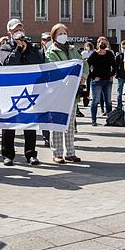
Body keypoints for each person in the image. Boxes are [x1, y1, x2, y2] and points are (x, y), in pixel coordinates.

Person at [0, 19, 42, 166]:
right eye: (15, 29)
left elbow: (37, 61)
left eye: (20, 28)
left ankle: (31, 154)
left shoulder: (32, 47)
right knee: (9, 122)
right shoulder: (5, 47)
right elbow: (8, 63)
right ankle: (8, 155)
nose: (18, 31)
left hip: (29, 88)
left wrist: (26, 49)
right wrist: (17, 49)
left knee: (29, 122)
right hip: (11, 89)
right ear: (9, 32)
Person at [45, 24, 89, 163]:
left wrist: (84, 75)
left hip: (73, 92)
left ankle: (70, 152)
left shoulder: (73, 49)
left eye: (65, 32)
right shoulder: (51, 51)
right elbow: (54, 68)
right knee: (57, 124)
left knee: (70, 125)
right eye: (60, 33)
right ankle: (57, 153)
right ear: (54, 36)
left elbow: (83, 63)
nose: (63, 35)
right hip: (58, 93)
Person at [86, 37, 115, 126]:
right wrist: (93, 77)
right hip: (97, 82)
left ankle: (109, 120)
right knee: (95, 101)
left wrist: (112, 75)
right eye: (101, 43)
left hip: (107, 81)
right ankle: (94, 121)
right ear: (98, 44)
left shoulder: (109, 54)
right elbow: (87, 66)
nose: (103, 44)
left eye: (105, 43)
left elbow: (114, 65)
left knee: (108, 101)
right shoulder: (94, 55)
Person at [115, 40, 125, 111]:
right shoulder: (119, 55)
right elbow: (116, 66)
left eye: (124, 47)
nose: (123, 49)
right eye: (122, 47)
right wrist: (116, 75)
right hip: (120, 76)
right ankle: (119, 106)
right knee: (119, 92)